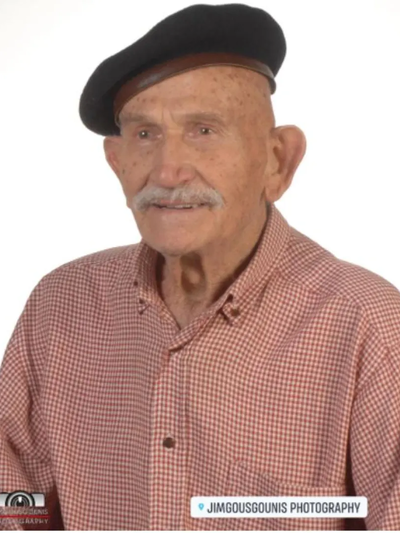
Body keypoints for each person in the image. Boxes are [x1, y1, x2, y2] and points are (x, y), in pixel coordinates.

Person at [1, 3, 399, 531]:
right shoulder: (61, 304)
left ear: (278, 161)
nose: (168, 171)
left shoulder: (368, 325)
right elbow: (16, 500)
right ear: (117, 163)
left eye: (204, 130)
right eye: (145, 135)